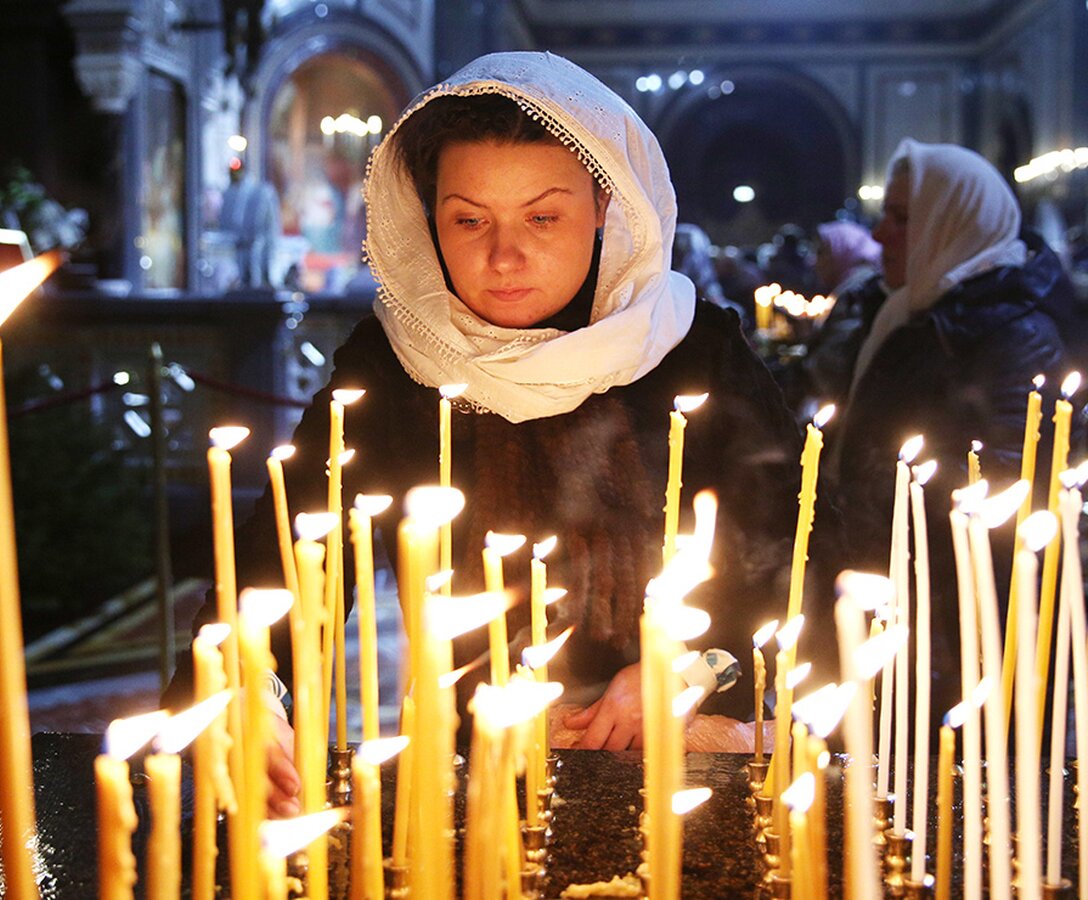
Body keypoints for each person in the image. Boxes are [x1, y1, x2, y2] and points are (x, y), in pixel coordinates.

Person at [167, 51, 838, 815]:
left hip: (682, 756)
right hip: (476, 765)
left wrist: (701, 663)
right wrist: (247, 683)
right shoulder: (395, 368)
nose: (504, 256)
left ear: (605, 209)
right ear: (429, 222)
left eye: (543, 216)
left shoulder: (694, 349)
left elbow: (801, 553)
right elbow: (282, 558)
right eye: (469, 219)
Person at [833, 138, 1081, 726]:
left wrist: (877, 490)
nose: (880, 236)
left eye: (902, 218)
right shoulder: (912, 310)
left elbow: (1007, 482)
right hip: (905, 595)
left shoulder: (1015, 332)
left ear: (954, 221)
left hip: (971, 621)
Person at [802, 220, 884, 401]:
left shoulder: (857, 291)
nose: (814, 262)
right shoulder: (852, 285)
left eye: (821, 252)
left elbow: (834, 363)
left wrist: (810, 347)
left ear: (842, 250)